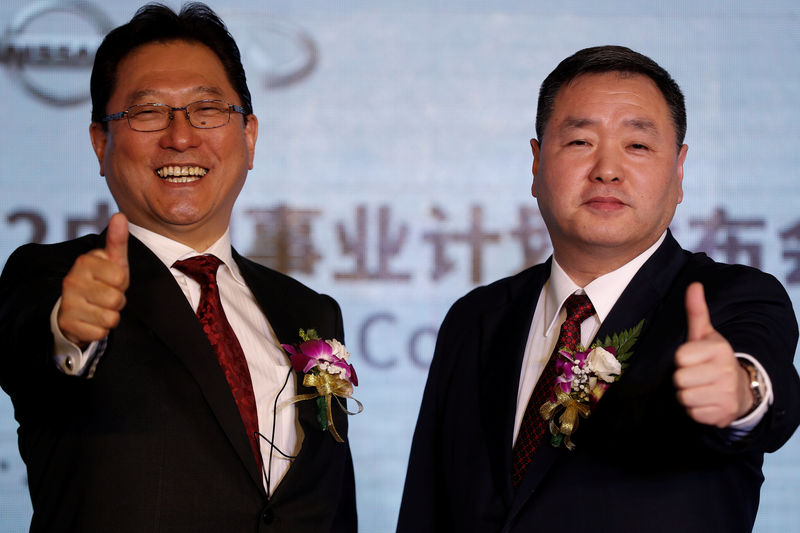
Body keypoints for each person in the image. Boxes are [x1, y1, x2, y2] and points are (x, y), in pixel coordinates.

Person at [397, 45, 800, 533]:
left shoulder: (731, 298)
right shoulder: (476, 318)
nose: (606, 169)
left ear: (678, 171)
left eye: (638, 146)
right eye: (580, 142)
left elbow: (767, 391)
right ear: (536, 163)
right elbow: (427, 506)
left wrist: (742, 392)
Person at [0, 3, 356, 532]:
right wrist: (69, 331)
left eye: (207, 110)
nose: (181, 136)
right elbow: (33, 345)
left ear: (249, 136)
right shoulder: (51, 277)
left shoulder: (309, 310)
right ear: (101, 144)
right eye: (147, 113)